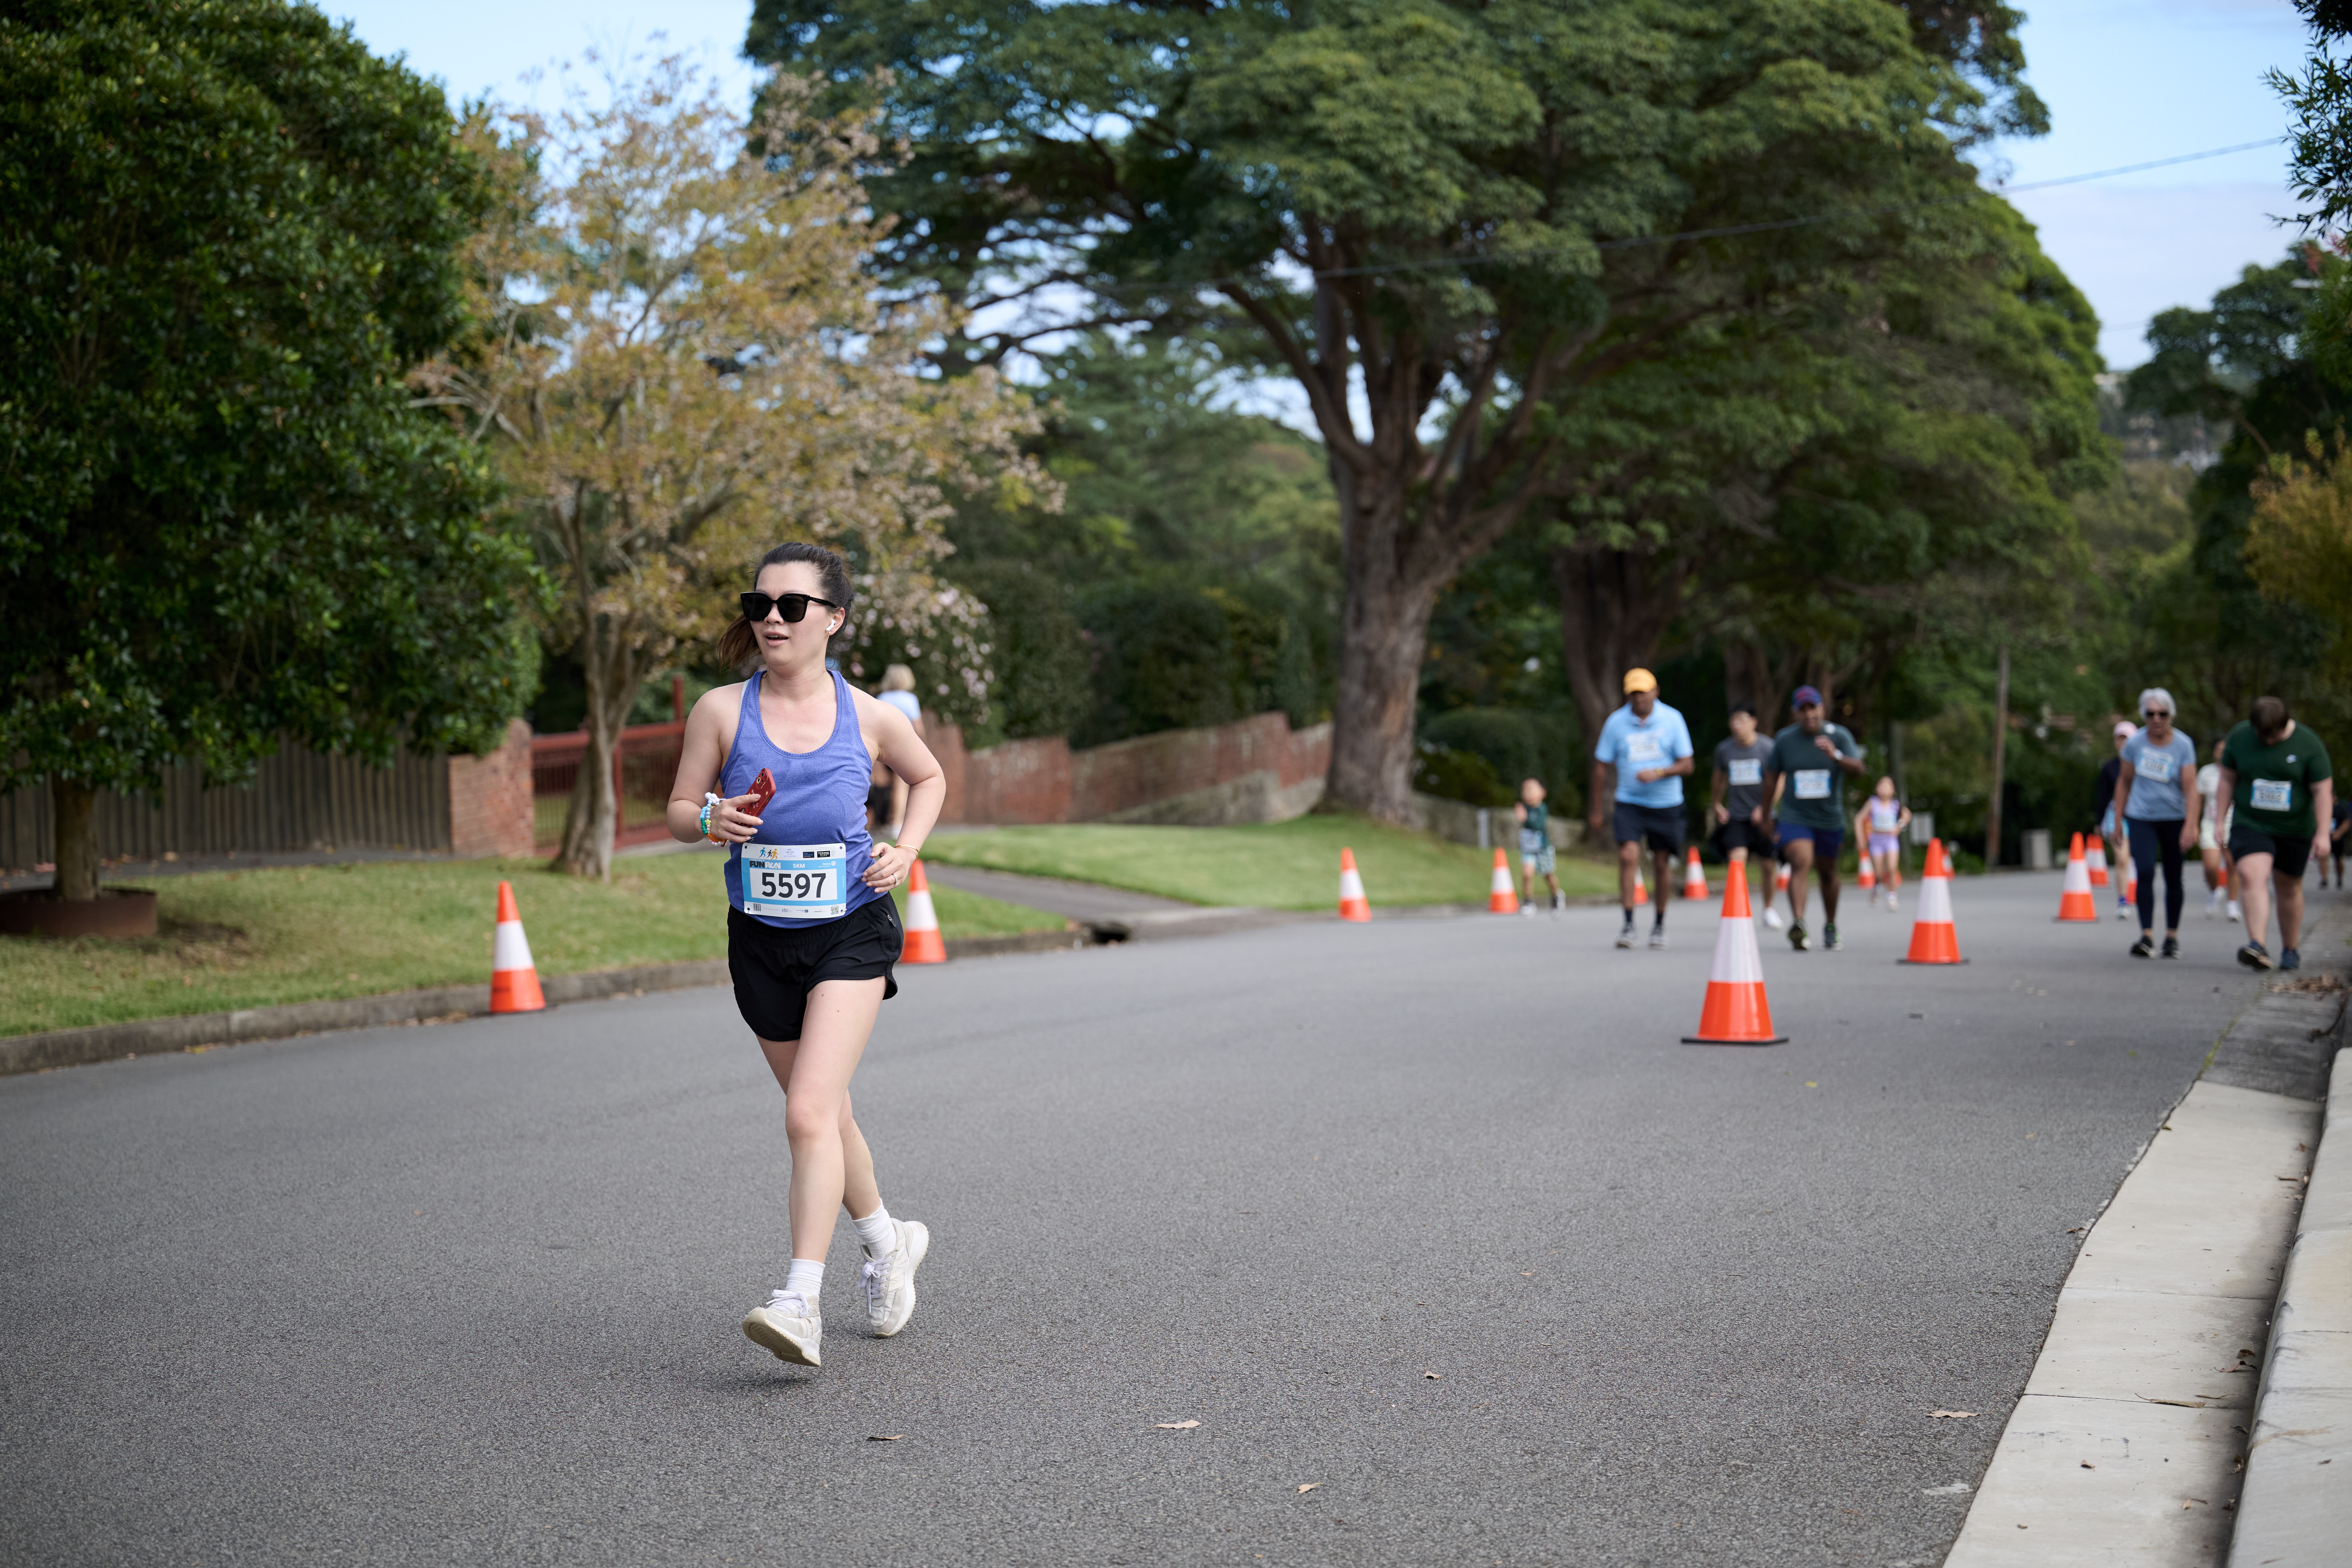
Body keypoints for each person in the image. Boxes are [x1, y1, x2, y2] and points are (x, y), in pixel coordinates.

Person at [666, 542, 945, 1370]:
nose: (772, 621)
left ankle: (800, 1299)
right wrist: (709, 817)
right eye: (760, 605)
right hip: (759, 935)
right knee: (825, 1115)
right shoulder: (720, 710)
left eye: (791, 607)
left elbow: (927, 779)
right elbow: (679, 809)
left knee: (804, 1114)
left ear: (833, 619)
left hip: (850, 927)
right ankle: (888, 1242)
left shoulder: (870, 715)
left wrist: (906, 848)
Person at [2215, 695, 2334, 971]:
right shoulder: (2239, 738)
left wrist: (2323, 833)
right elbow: (2226, 780)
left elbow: (2322, 791)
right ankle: (2257, 944)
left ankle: (2290, 948)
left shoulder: (2308, 744)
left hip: (2294, 827)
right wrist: (2219, 820)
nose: (2268, 741)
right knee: (2250, 874)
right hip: (2251, 821)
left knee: (2288, 887)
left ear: (2285, 724)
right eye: (2262, 735)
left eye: (2275, 735)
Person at [1589, 667, 1695, 949]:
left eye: (1643, 692)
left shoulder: (1672, 719)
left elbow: (1688, 764)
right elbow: (1601, 767)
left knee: (1661, 863)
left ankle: (1659, 924)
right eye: (1633, 693)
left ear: (1655, 691)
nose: (1639, 698)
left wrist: (1659, 772)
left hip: (1666, 803)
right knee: (1627, 856)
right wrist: (1596, 809)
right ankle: (1627, 923)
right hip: (1629, 802)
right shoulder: (1616, 722)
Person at [1761, 686, 1866, 951]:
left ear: (1822, 708)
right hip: (1794, 816)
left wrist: (1837, 756)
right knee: (1800, 861)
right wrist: (1765, 813)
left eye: (1813, 708)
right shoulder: (1785, 740)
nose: (1809, 714)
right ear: (1795, 713)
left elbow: (1859, 769)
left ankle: (1830, 925)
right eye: (1802, 709)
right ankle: (1799, 923)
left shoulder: (1839, 736)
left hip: (1829, 818)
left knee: (1827, 872)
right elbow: (1772, 777)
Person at [2114, 688, 2200, 960]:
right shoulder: (2135, 743)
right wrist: (2117, 820)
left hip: (2174, 818)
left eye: (2162, 714)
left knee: (2173, 876)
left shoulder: (2183, 745)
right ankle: (2146, 935)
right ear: (2144, 715)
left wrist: (2191, 824)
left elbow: (2190, 788)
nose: (2156, 719)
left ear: (2170, 715)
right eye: (2150, 714)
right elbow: (2124, 781)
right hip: (2141, 817)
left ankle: (2171, 937)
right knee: (2146, 871)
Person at [1709, 703, 1783, 929]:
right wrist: (1716, 804)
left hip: (1765, 817)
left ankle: (1768, 909)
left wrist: (1766, 807)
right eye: (1733, 721)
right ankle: (1739, 909)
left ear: (1754, 722)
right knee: (1736, 862)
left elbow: (1780, 780)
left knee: (1768, 865)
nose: (1737, 725)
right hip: (1738, 817)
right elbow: (1718, 779)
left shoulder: (1768, 748)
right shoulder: (1725, 750)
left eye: (1742, 720)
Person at [868, 664, 925, 839]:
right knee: (901, 787)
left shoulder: (882, 697)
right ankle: (896, 824)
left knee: (880, 785)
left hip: (882, 749)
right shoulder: (910, 700)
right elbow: (919, 729)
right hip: (902, 749)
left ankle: (877, 822)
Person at [2196, 737, 2239, 922]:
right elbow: (2197, 801)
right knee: (2210, 866)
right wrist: (2192, 825)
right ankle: (2215, 891)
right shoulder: (2206, 773)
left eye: (2225, 750)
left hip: (2232, 823)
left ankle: (2232, 904)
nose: (2221, 753)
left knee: (2232, 864)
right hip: (2211, 823)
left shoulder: (2239, 772)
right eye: (2218, 749)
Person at [2096, 719, 2135, 919]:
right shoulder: (2110, 767)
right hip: (2116, 816)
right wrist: (2098, 821)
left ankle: (2142, 895)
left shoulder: (2142, 764)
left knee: (2142, 862)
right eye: (2120, 739)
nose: (2123, 743)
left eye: (2127, 738)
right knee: (2122, 859)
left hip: (2141, 815)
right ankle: (2122, 901)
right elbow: (2102, 796)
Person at [1853, 777, 1911, 914]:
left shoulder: (1895, 805)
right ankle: (1876, 887)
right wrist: (1861, 839)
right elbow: (1859, 819)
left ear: (1893, 791)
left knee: (1892, 869)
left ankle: (1892, 896)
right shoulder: (1873, 803)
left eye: (1888, 786)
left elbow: (1907, 815)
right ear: (1877, 789)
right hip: (1876, 841)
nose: (1885, 789)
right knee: (1879, 873)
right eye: (1882, 786)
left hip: (1890, 840)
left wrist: (1899, 826)